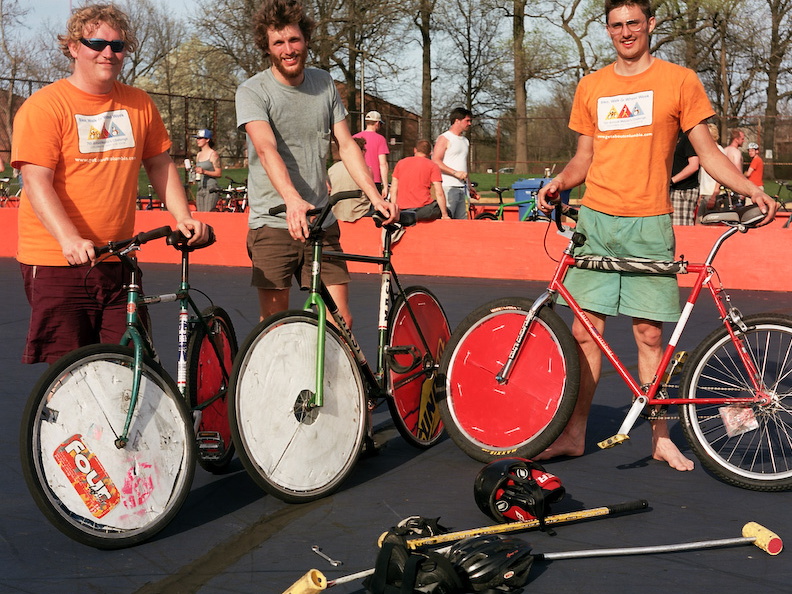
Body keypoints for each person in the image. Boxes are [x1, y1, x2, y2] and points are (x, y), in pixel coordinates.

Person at [536, 0, 776, 472]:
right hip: (597, 220)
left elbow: (707, 152)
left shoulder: (680, 81)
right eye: (616, 25)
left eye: (633, 23)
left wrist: (751, 188)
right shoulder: (591, 86)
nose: (625, 32)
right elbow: (583, 156)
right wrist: (561, 181)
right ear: (607, 31)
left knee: (649, 336)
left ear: (650, 25)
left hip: (650, 221)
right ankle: (573, 433)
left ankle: (661, 437)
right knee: (586, 334)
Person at [11, 3, 208, 365]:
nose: (108, 52)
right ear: (73, 47)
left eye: (117, 46)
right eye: (97, 43)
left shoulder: (139, 104)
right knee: (70, 375)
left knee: (128, 366)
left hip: (119, 259)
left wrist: (183, 217)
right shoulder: (45, 107)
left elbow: (160, 164)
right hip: (59, 261)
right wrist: (69, 238)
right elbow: (36, 181)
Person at [235, 0, 397, 325]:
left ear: (305, 40)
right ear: (266, 48)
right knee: (275, 325)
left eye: (294, 40)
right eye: (279, 43)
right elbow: (266, 149)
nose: (288, 49)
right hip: (274, 221)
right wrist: (292, 199)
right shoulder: (253, 91)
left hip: (321, 221)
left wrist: (376, 196)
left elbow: (348, 145)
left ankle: (327, 377)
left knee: (341, 321)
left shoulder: (324, 83)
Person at [390, 139, 450, 221]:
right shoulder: (432, 166)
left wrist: (394, 210)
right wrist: (444, 214)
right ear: (430, 153)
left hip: (402, 209)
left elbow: (393, 189)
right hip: (422, 208)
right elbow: (439, 192)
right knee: (447, 211)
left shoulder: (401, 163)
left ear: (415, 150)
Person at [433, 107, 475, 219]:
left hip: (463, 188)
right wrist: (455, 173)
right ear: (457, 121)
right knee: (447, 220)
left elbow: (464, 164)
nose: (469, 123)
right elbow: (436, 161)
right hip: (448, 187)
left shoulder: (465, 141)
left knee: (462, 223)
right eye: (467, 121)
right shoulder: (444, 138)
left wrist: (469, 184)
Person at [329, 137, 373, 222]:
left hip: (336, 212)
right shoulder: (367, 170)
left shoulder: (332, 169)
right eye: (364, 150)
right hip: (360, 212)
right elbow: (370, 194)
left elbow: (329, 189)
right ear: (360, 151)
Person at [353, 111, 390, 198]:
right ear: (377, 123)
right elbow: (383, 164)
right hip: (374, 180)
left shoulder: (354, 138)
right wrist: (385, 185)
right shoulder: (380, 139)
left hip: (357, 178)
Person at [697, 122, 727, 221]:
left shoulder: (719, 151)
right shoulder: (706, 151)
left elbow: (721, 174)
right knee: (699, 222)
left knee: (710, 222)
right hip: (704, 193)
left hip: (712, 193)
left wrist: (714, 194)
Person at [669, 131, 700, 225]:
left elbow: (694, 165)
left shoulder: (687, 138)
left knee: (680, 227)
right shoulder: (669, 136)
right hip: (669, 190)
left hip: (683, 191)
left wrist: (672, 181)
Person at [193, 128, 223, 211]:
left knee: (207, 212)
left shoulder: (213, 154)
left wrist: (204, 171)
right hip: (200, 187)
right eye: (197, 138)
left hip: (210, 188)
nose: (197, 140)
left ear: (207, 140)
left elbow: (219, 173)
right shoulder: (199, 155)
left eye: (200, 138)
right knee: (200, 214)